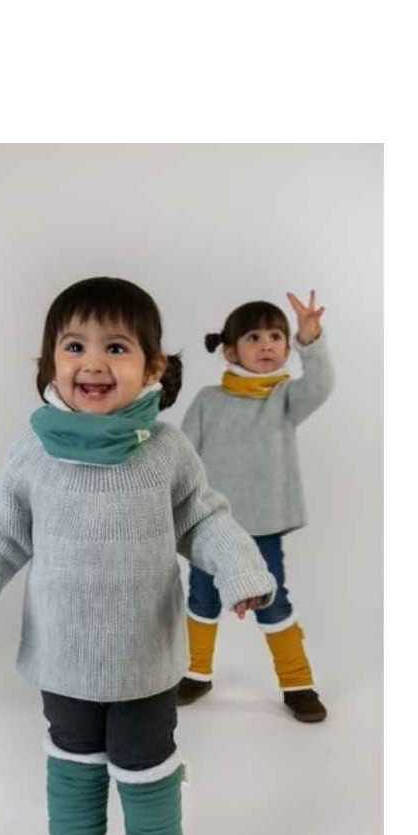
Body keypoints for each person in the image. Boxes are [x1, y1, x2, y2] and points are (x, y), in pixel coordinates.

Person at [0, 277, 275, 835]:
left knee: (147, 767)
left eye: (116, 347)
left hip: (143, 655)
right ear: (48, 363)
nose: (93, 363)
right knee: (73, 762)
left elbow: (204, 519)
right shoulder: (33, 451)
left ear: (154, 366)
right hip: (63, 654)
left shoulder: (165, 450)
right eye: (75, 346)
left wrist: (240, 572)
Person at [178, 291, 335, 722]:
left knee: (273, 601)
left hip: (263, 527)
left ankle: (297, 683)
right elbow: (184, 456)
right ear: (230, 351)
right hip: (211, 527)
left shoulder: (285, 398)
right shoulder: (208, 400)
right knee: (202, 597)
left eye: (276, 337)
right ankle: (195, 672)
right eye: (254, 337)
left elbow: (321, 385)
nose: (267, 345)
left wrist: (310, 340)